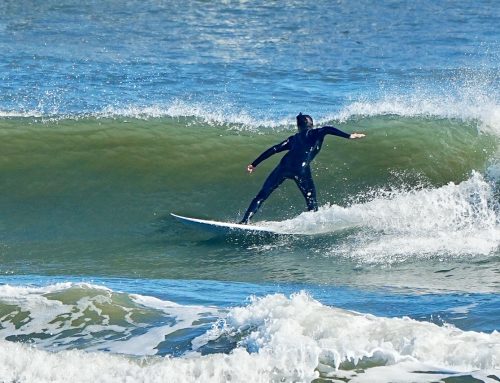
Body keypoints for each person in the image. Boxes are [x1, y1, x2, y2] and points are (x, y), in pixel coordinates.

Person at [239, 113, 365, 224]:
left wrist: (254, 164)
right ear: (312, 124)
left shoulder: (293, 139)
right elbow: (328, 129)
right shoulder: (315, 133)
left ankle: (245, 220)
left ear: (299, 126)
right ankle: (314, 223)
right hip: (301, 169)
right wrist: (348, 136)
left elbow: (275, 149)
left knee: (262, 195)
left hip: (284, 166)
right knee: (311, 199)